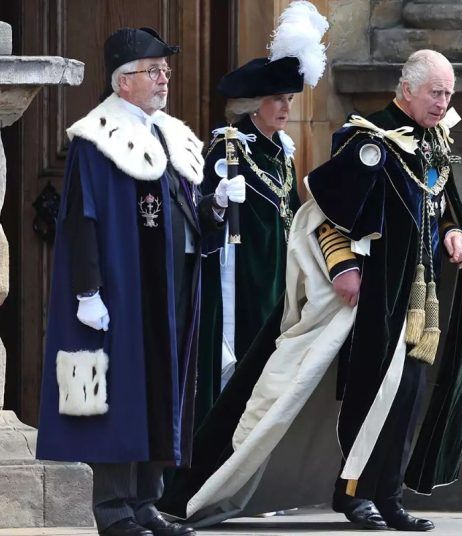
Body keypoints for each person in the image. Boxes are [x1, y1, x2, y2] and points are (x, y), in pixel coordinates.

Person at [163, 49, 462, 533]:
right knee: (370, 395)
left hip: (418, 296)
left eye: (448, 94)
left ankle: (388, 496)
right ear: (408, 89)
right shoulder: (369, 139)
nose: (443, 103)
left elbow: (439, 205)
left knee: (407, 397)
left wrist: (453, 233)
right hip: (371, 297)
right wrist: (343, 267)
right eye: (436, 92)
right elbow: (325, 213)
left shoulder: (434, 140)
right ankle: (353, 495)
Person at [35, 27, 245, 536]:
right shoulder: (96, 138)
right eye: (154, 71)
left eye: (165, 70)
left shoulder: (168, 134)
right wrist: (87, 292)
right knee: (121, 394)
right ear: (123, 81)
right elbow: (81, 218)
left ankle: (148, 501)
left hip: (172, 286)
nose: (164, 79)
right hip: (124, 289)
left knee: (162, 389)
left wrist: (215, 205)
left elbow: (184, 215)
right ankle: (114, 510)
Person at [195, 0, 327, 422]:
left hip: (278, 276)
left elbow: (293, 211)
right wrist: (218, 203)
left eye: (288, 99)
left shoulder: (281, 151)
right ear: (253, 103)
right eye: (276, 99)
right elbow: (203, 218)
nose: (286, 108)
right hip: (244, 278)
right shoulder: (229, 149)